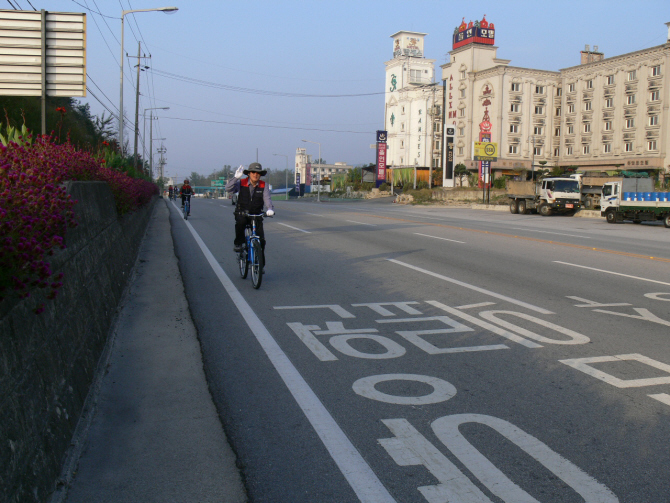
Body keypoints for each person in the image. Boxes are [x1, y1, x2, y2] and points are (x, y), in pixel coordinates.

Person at [226, 163, 274, 267]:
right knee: (241, 222)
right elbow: (228, 189)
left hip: (256, 214)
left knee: (261, 240)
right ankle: (238, 243)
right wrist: (235, 178)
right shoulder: (241, 183)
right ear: (249, 174)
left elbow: (267, 198)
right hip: (242, 212)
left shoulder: (263, 185)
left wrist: (270, 208)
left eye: (258, 173)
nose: (255, 175)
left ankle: (260, 265)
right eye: (253, 172)